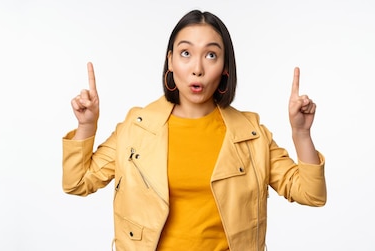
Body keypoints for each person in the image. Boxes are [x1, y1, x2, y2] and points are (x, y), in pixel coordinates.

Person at [61, 9, 327, 251]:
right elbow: (77, 182)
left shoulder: (251, 134)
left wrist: (301, 134)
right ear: (171, 61)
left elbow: (311, 194)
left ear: (224, 68)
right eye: (186, 53)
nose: (197, 69)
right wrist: (86, 125)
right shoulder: (136, 128)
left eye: (211, 55)